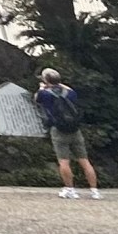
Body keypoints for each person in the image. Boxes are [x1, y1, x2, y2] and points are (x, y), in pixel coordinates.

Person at [35, 67, 102, 199]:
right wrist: (57, 82)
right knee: (85, 161)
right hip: (75, 129)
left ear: (45, 80)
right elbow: (69, 90)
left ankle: (70, 189)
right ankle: (95, 191)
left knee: (64, 162)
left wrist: (43, 87)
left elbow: (37, 98)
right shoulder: (70, 93)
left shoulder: (44, 94)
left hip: (58, 130)